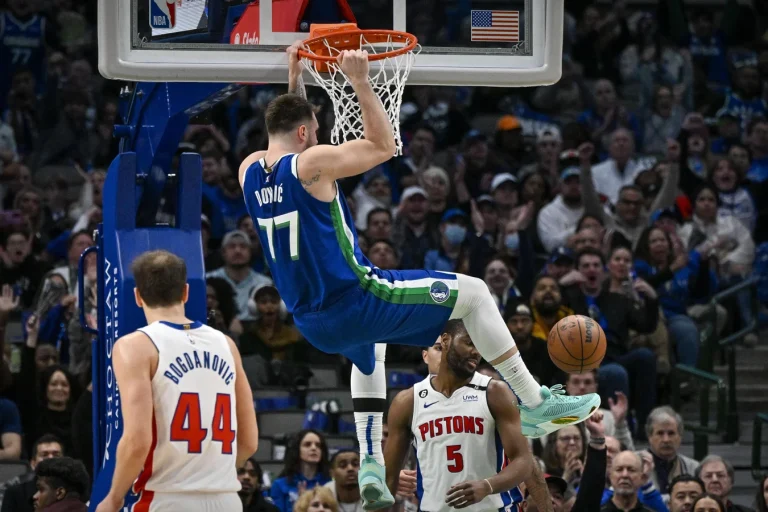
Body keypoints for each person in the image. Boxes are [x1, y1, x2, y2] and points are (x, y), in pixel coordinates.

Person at [238, 41, 600, 510]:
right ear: (309, 132)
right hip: (358, 296)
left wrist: (295, 75)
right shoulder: (311, 164)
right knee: (473, 293)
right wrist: (362, 82)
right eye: (317, 129)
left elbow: (286, 128)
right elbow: (384, 147)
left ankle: (371, 460)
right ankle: (532, 400)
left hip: (312, 322)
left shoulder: (250, 170)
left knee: (370, 353)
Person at [94, 250, 259, 512]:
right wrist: (209, 475)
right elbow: (249, 441)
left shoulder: (134, 346)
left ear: (137, 296)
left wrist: (113, 497)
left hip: (167, 498)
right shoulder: (226, 344)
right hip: (227, 500)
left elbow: (137, 440)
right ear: (185, 292)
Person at [383, 320, 552, 512]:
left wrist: (488, 486)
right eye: (470, 343)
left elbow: (524, 461)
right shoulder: (408, 401)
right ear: (445, 341)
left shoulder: (495, 392)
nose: (476, 352)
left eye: (479, 346)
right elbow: (389, 477)